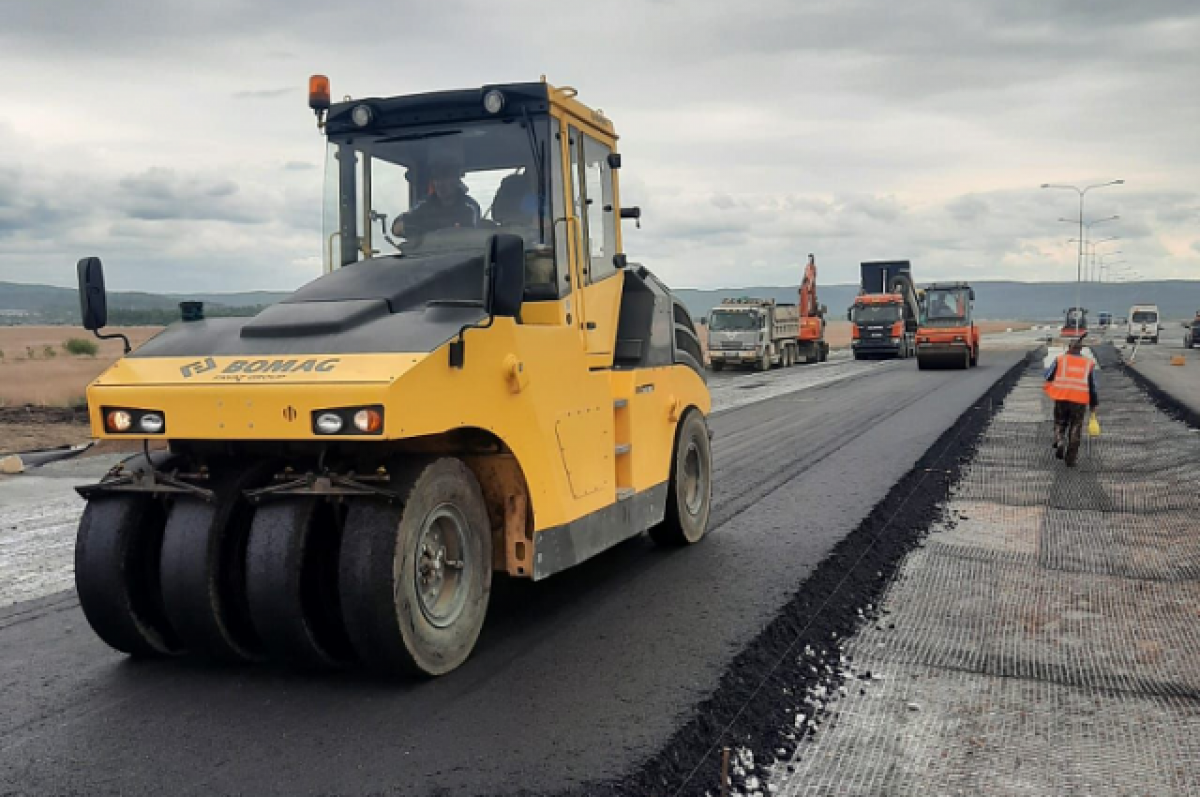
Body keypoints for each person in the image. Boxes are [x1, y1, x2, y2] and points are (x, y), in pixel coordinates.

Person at [391, 159, 480, 240]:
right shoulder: (424, 206)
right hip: (429, 255)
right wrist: (402, 226)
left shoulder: (470, 207)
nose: (440, 184)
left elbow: (472, 237)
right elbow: (398, 227)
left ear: (456, 180)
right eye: (436, 178)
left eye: (445, 177)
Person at [1044, 337, 1099, 467]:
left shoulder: (1060, 359)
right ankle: (1071, 459)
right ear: (1081, 349)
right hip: (1079, 400)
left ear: (1069, 347)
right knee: (1076, 427)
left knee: (1060, 422)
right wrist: (1094, 403)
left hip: (1061, 397)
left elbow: (1047, 376)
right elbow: (1092, 386)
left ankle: (1060, 441)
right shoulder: (1088, 363)